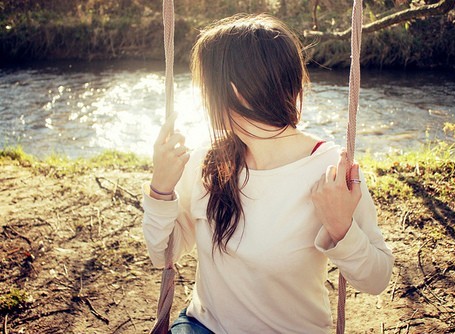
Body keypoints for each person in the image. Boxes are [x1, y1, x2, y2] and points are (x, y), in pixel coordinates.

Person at [143, 13, 394, 334]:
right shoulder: (206, 157)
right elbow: (163, 252)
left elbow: (377, 278)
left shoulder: (329, 170)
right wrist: (161, 190)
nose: (202, 97)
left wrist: (342, 228)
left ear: (234, 90)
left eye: (205, 85)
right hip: (202, 326)